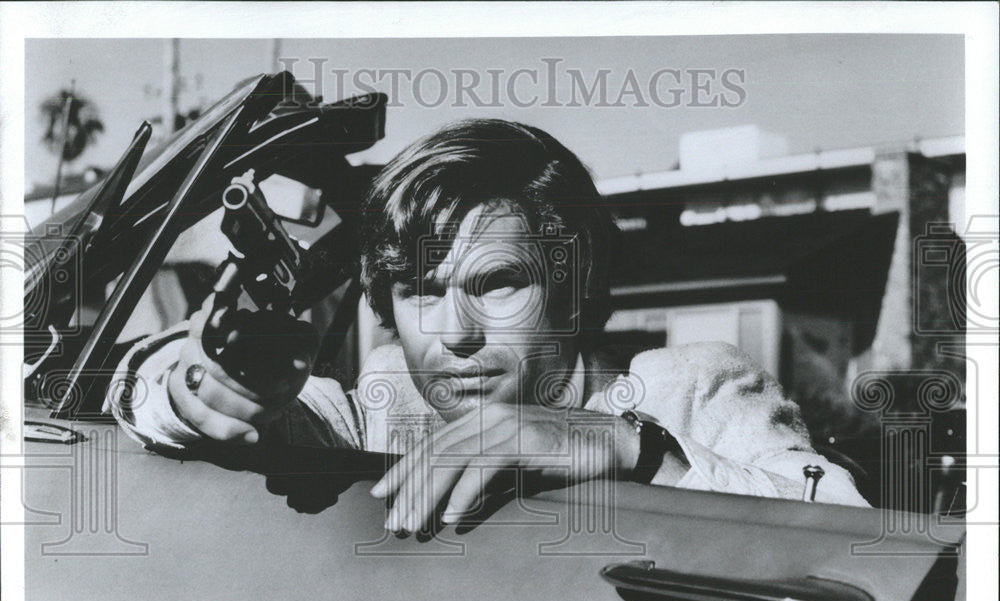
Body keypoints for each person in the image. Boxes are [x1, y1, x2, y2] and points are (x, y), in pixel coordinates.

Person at [108, 118, 868, 532]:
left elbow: (859, 535)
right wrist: (192, 382)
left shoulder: (691, 386)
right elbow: (220, 407)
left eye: (497, 283)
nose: (454, 333)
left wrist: (625, 447)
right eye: (418, 291)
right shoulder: (383, 402)